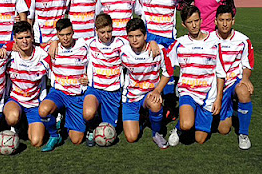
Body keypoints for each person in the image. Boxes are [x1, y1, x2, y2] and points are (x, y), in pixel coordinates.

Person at [167, 5, 226, 146]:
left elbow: (220, 73)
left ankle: (193, 118)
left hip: (208, 95)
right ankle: (179, 128)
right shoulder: (180, 43)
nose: (194, 25)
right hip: (187, 91)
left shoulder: (214, 43)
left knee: (200, 139)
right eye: (189, 22)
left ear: (201, 20)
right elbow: (165, 61)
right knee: (187, 125)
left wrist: (218, 99)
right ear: (183, 24)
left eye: (196, 21)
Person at [136, 0, 183, 119]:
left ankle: (169, 107)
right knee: (149, 70)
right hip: (151, 38)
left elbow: (182, 5)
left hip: (168, 38)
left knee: (168, 72)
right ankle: (147, 104)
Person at [120, 18, 172, 149]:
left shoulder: (157, 50)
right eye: (131, 36)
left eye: (138, 36)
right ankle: (143, 117)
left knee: (155, 104)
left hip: (149, 94)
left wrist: (157, 90)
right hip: (130, 98)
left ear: (145, 36)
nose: (134, 40)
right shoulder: (123, 51)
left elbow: (168, 72)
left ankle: (157, 133)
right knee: (132, 138)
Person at [39, 19, 89, 151]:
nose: (65, 38)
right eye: (61, 35)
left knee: (77, 140)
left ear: (73, 33)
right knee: (43, 110)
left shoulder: (84, 45)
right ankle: (55, 136)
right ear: (57, 34)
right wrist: (53, 42)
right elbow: (25, 46)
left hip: (76, 95)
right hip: (59, 93)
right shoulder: (51, 47)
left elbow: (99, 57)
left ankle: (63, 117)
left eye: (68, 34)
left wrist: (89, 77)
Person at [211, 5, 254, 150]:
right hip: (216, 85)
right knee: (223, 130)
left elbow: (248, 64)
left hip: (234, 82)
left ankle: (243, 134)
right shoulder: (209, 39)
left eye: (228, 20)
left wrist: (246, 78)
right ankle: (232, 109)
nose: (224, 23)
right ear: (215, 21)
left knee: (244, 92)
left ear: (233, 21)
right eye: (221, 20)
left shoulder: (243, 40)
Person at [3, 21, 50, 147]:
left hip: (34, 103)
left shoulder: (42, 55)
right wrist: (5, 47)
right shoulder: (9, 55)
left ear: (32, 37)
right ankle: (16, 124)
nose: (24, 41)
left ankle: (24, 123)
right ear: (15, 40)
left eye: (27, 37)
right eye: (20, 38)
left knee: (37, 141)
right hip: (15, 99)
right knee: (12, 117)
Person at [83, 13, 126, 146]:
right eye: (102, 32)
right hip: (95, 88)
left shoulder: (121, 43)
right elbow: (68, 46)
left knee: (111, 129)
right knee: (88, 113)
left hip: (113, 91)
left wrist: (153, 43)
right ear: (96, 30)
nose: (106, 35)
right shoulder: (89, 43)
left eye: (109, 31)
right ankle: (91, 128)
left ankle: (107, 116)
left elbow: (140, 45)